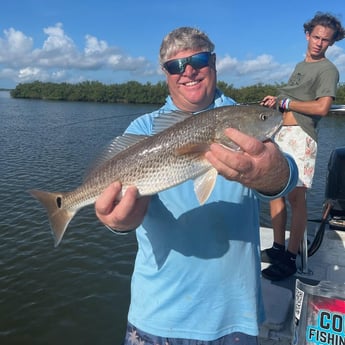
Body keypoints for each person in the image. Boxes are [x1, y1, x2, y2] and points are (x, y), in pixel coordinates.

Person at [95, 27, 298, 344]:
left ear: (214, 62)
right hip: (156, 314)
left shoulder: (238, 117)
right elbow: (126, 215)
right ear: (166, 74)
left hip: (234, 316)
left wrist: (272, 174)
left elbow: (285, 179)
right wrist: (119, 222)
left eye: (198, 60)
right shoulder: (143, 130)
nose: (187, 71)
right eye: (175, 66)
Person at [260, 12, 345, 281]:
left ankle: (291, 257)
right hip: (280, 132)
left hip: (301, 136)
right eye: (316, 37)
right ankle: (277, 247)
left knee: (296, 198)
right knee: (275, 192)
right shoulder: (299, 66)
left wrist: (288, 104)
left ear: (331, 43)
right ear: (308, 35)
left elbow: (322, 107)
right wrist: (278, 100)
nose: (319, 43)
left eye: (326, 40)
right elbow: (292, 96)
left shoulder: (328, 70)